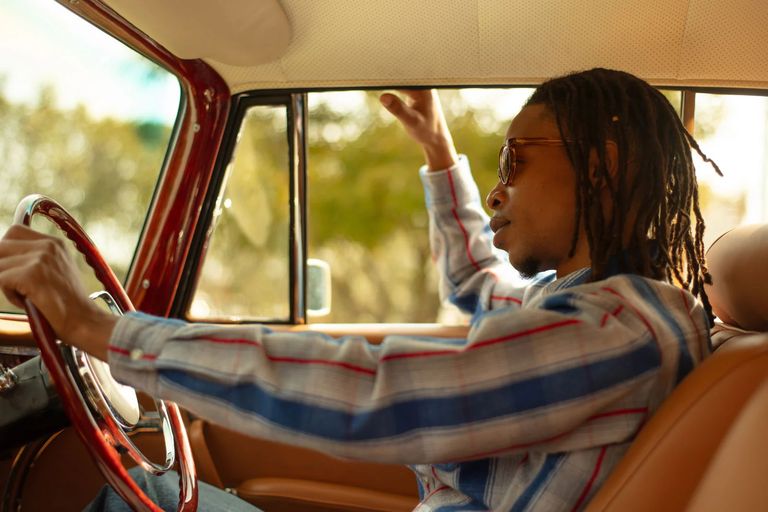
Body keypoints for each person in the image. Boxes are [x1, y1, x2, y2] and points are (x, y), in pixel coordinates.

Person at [0, 68, 721, 511]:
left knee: (133, 499)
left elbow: (383, 393)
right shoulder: (586, 309)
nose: (497, 191)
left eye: (515, 162)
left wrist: (103, 331)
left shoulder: (617, 330)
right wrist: (439, 152)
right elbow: (477, 283)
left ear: (601, 166)